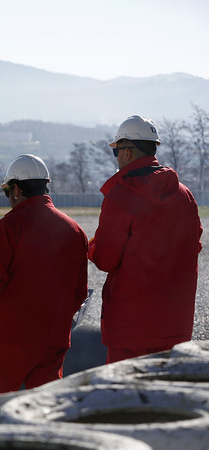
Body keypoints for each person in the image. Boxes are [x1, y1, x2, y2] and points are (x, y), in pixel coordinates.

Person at [0, 154, 89, 399]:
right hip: (53, 340)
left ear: (16, 189)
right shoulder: (75, 231)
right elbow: (79, 292)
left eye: (7, 192)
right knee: (45, 407)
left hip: (10, 339)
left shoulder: (11, 225)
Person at [89, 115, 202, 363]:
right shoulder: (185, 195)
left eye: (116, 151)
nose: (116, 158)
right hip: (176, 324)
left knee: (124, 397)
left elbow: (106, 259)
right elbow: (194, 244)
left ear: (127, 152)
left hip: (131, 329)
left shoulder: (121, 195)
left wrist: (91, 246)